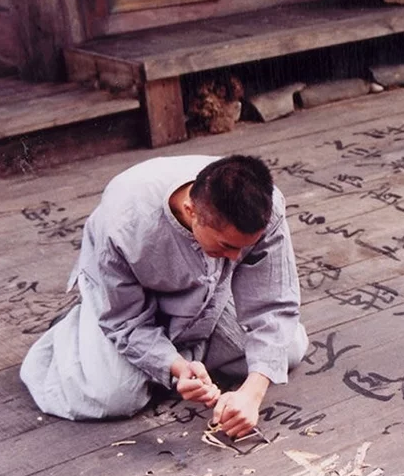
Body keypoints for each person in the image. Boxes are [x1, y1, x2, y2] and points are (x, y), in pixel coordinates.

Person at [20, 154, 309, 438]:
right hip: (128, 303)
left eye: (244, 248)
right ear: (191, 211)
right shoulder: (123, 223)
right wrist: (174, 366)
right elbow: (125, 319)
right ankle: (79, 328)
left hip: (208, 296)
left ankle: (180, 351)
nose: (236, 257)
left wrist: (251, 394)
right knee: (114, 395)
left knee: (289, 348)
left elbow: (273, 304)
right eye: (226, 246)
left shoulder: (265, 206)